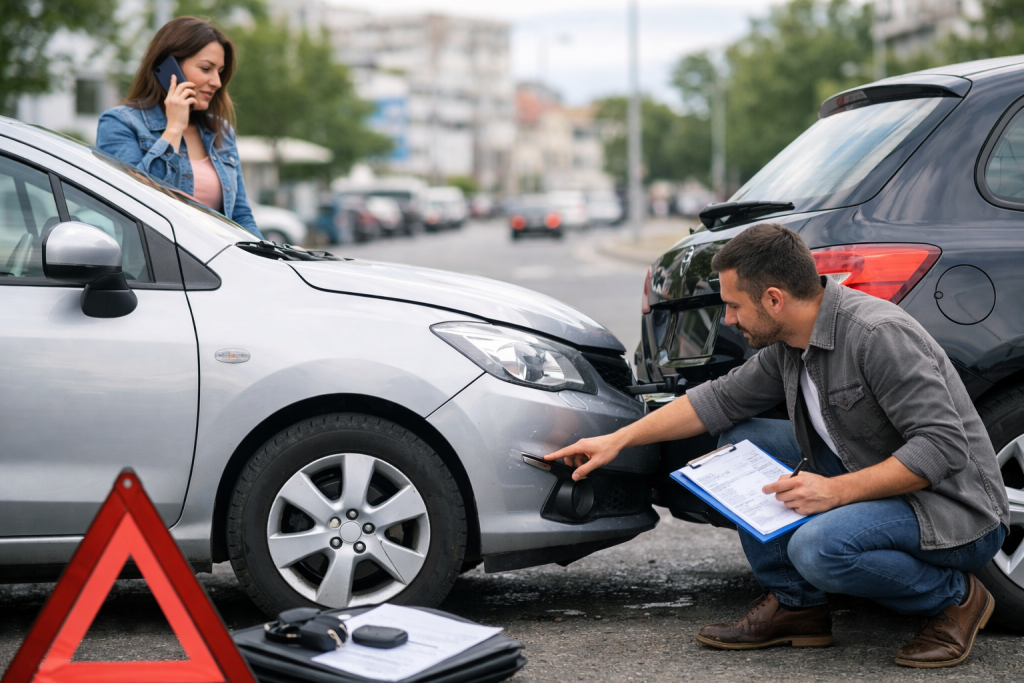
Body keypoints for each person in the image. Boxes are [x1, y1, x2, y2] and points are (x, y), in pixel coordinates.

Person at [547, 223, 1009, 668]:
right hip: (877, 481)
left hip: (951, 510)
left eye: (734, 306)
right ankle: (797, 605)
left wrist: (835, 492)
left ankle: (955, 599)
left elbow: (942, 448)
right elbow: (715, 401)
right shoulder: (792, 344)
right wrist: (617, 440)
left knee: (816, 548)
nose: (729, 319)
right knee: (739, 441)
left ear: (774, 299)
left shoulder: (876, 335)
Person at [96, 16, 261, 237]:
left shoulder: (220, 130)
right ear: (169, 69)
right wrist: (173, 129)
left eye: (220, 71)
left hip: (217, 258)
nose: (217, 82)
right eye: (206, 68)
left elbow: (241, 216)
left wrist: (276, 253)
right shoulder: (120, 123)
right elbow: (131, 204)